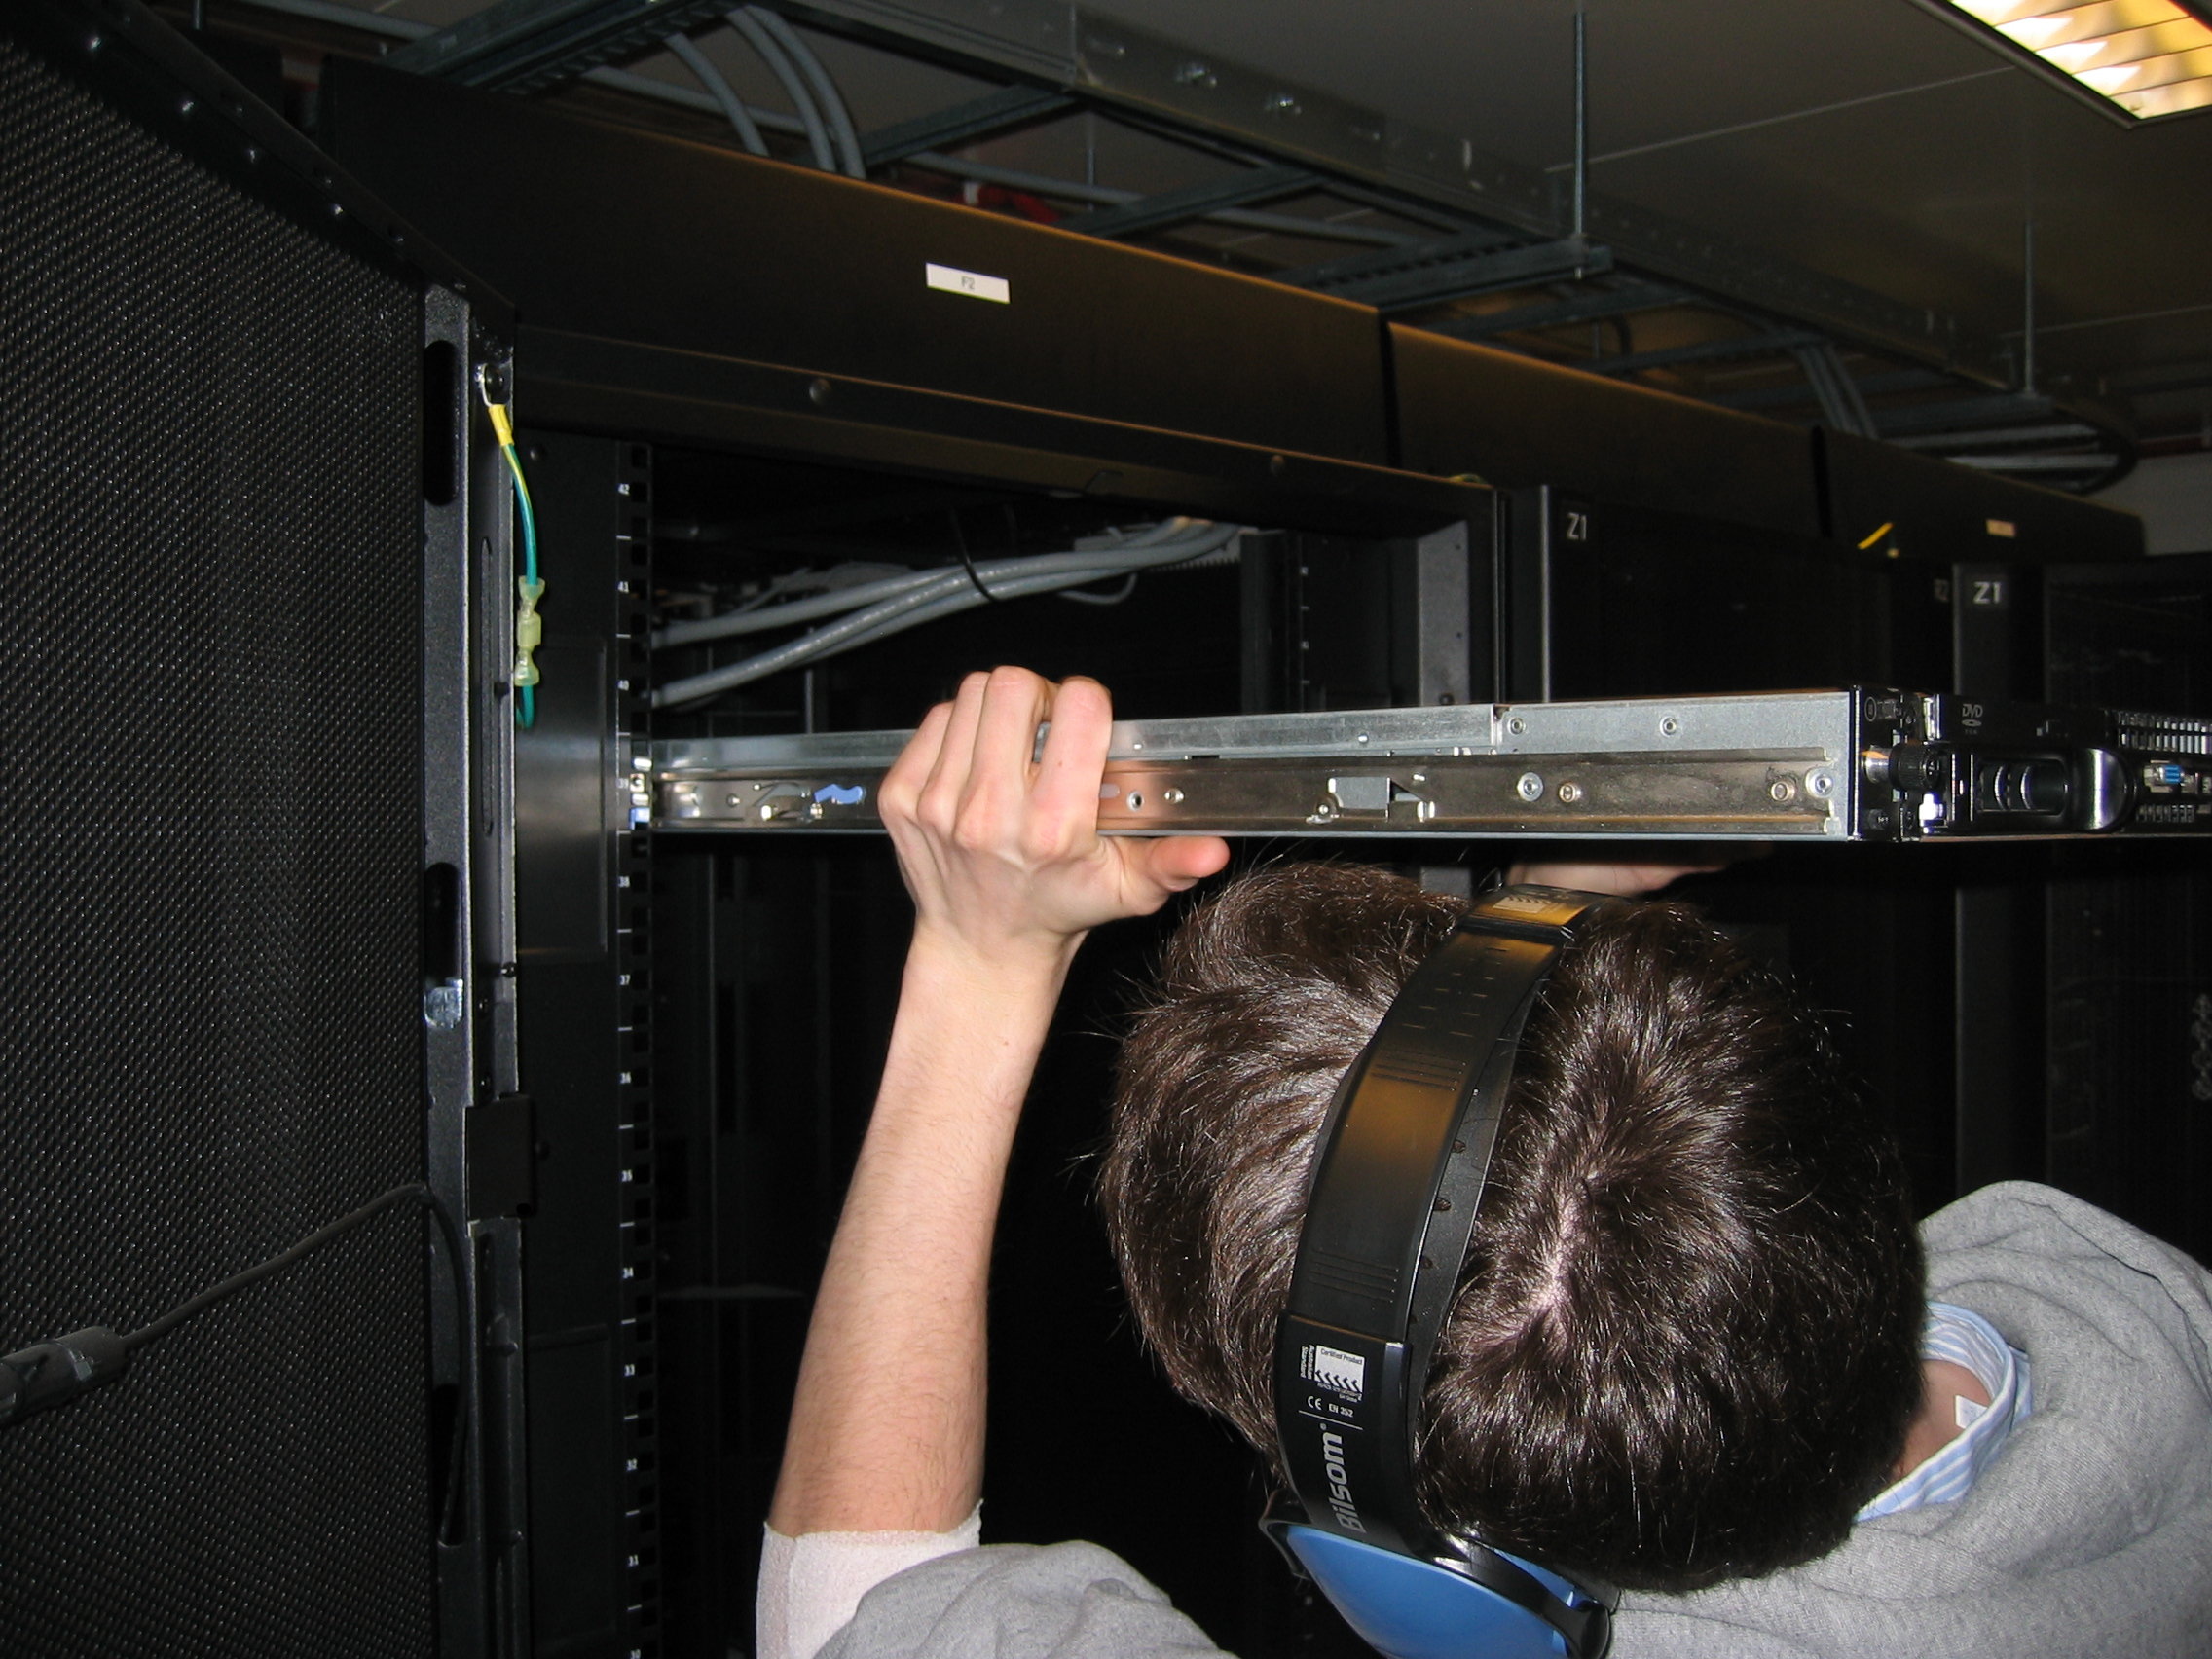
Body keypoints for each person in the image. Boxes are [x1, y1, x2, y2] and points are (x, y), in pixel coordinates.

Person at [759, 667, 2212, 1659]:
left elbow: (857, 1620)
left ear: (1421, 1578)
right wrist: (1556, 940)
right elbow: (1588, 1206)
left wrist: (975, 971)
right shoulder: (2131, 1310)